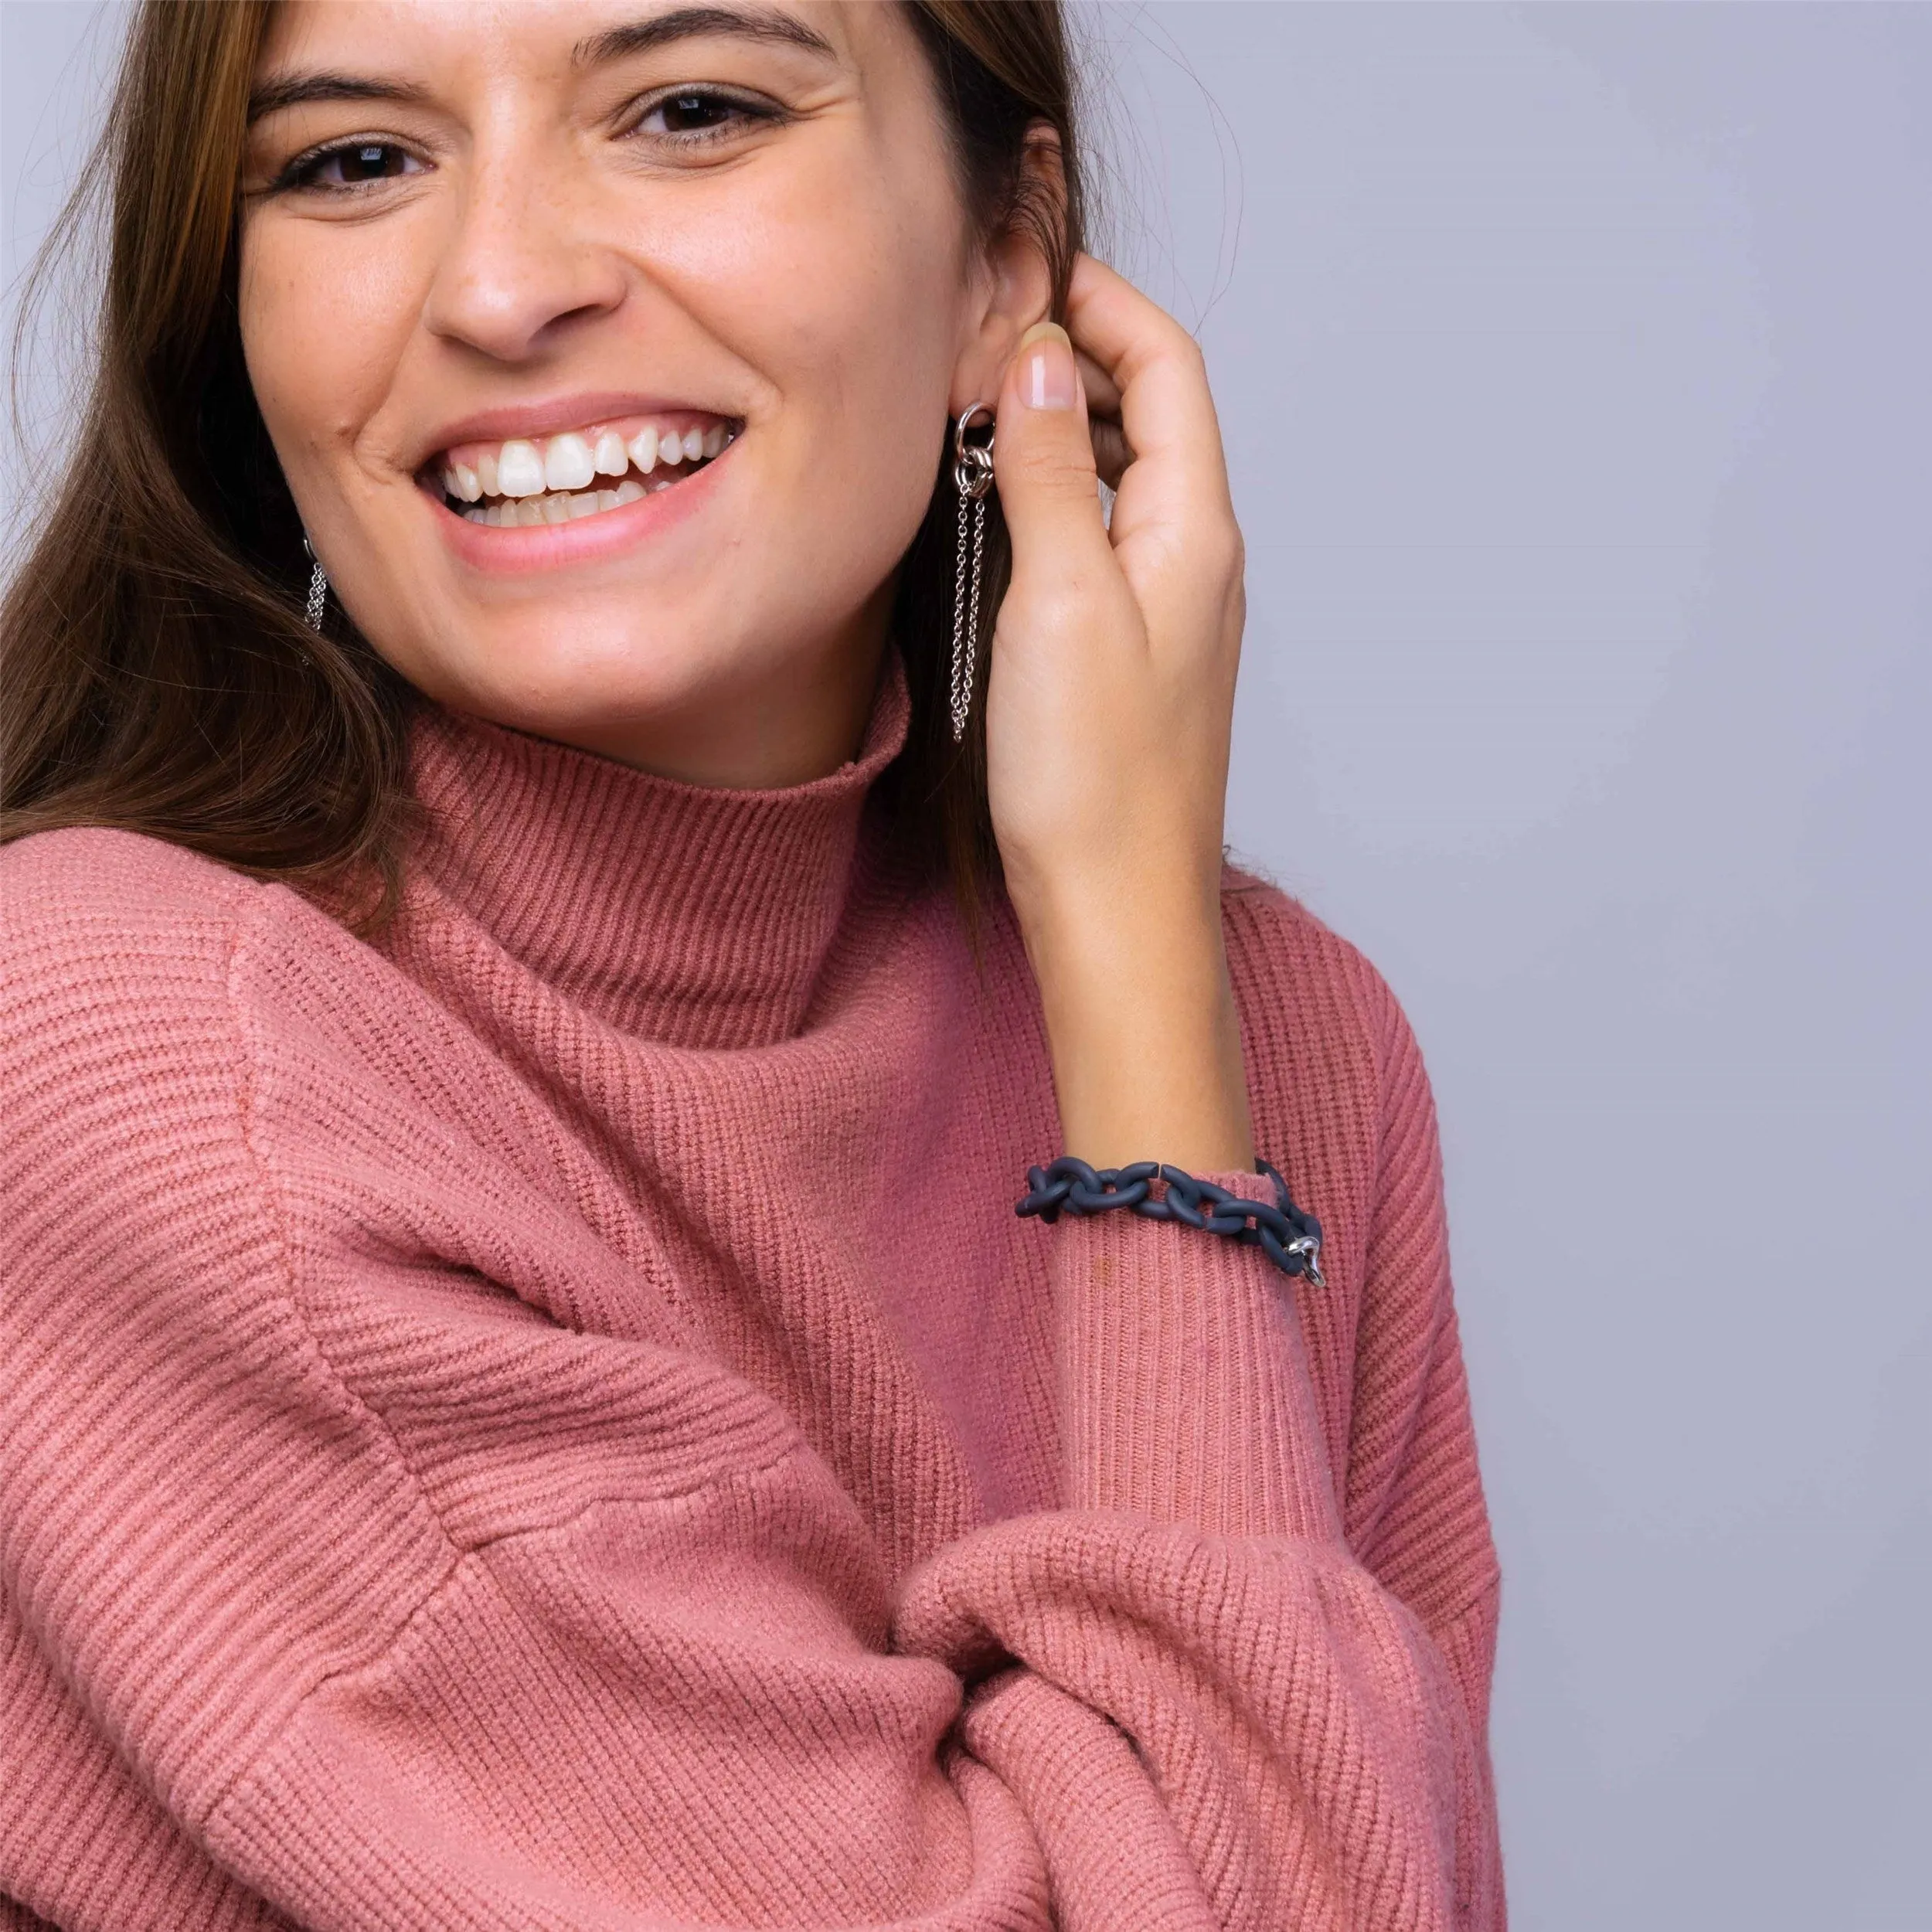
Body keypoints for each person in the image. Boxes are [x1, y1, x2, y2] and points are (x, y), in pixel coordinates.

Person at [0, 3, 1505, 1927]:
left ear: (1002, 263)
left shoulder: (1277, 1045)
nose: (503, 282)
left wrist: (1139, 973)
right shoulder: (124, 1058)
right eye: (354, 160)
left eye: (690, 111)